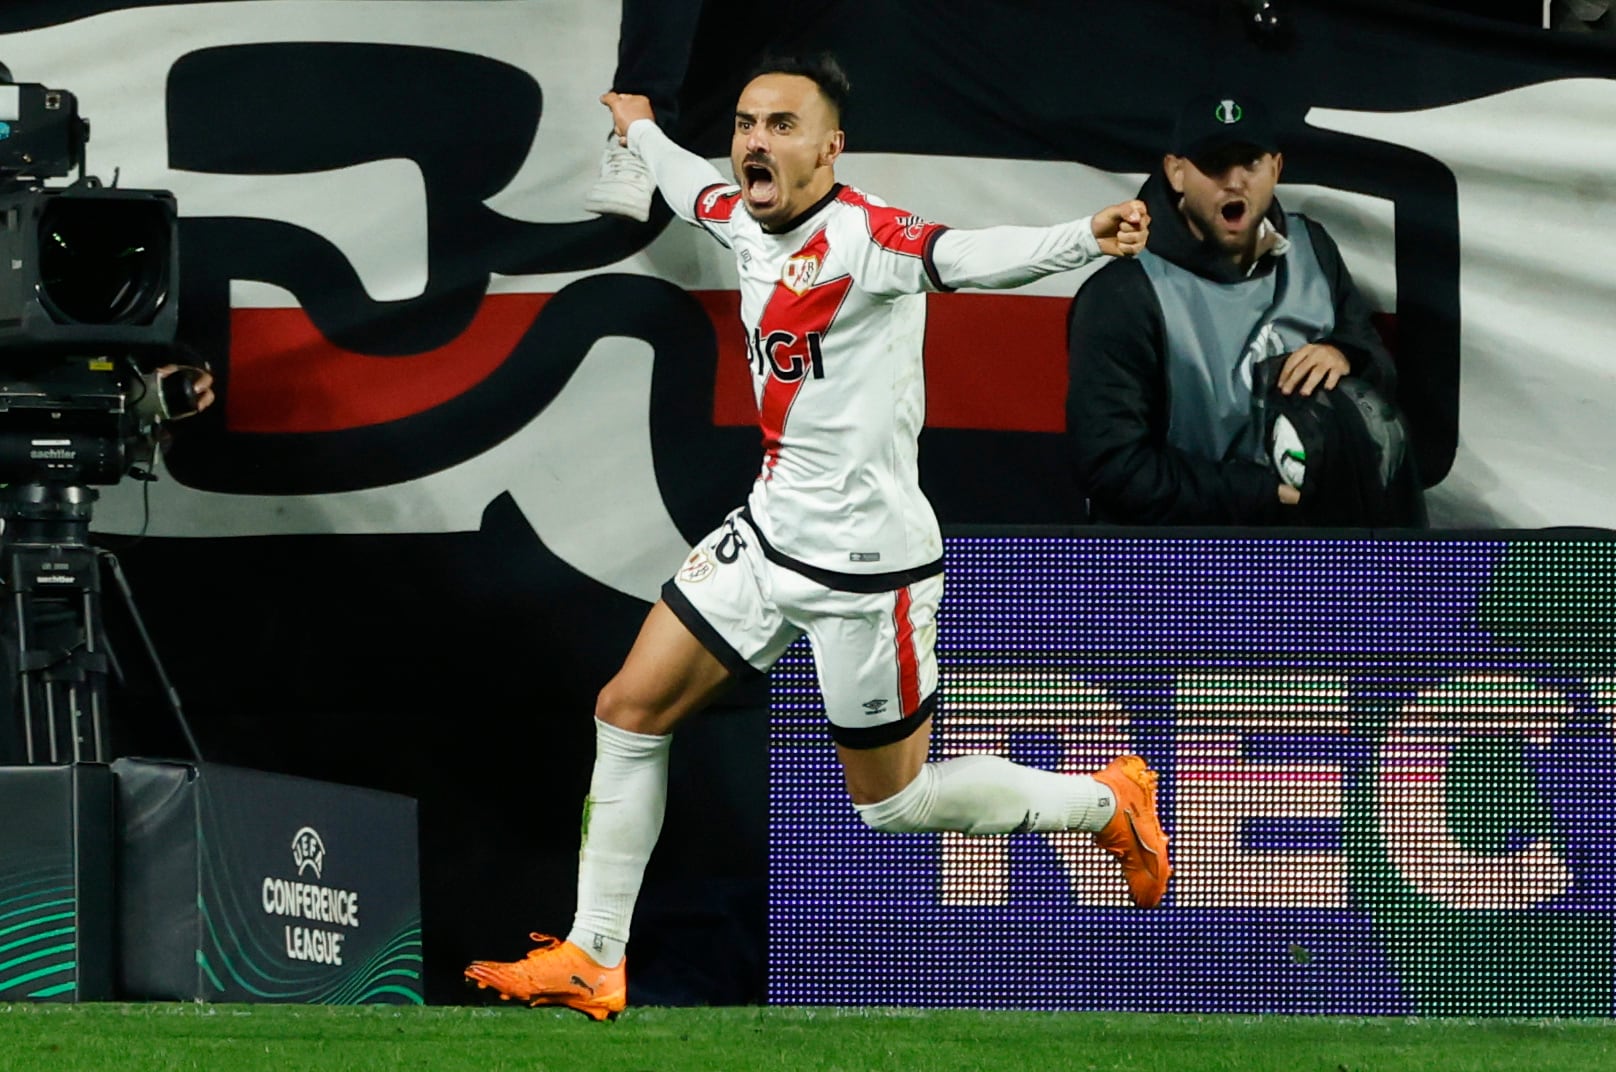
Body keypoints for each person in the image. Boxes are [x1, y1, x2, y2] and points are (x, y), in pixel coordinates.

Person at [466, 54, 1170, 1021]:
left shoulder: (866, 238)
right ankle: (595, 954)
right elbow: (688, 182)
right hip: (766, 538)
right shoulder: (742, 217)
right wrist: (640, 128)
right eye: (746, 123)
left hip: (867, 573)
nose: (755, 140)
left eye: (782, 125)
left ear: (831, 148)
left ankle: (1105, 802)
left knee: (895, 806)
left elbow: (969, 256)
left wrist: (1083, 237)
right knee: (628, 711)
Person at [1066, 94, 1406, 525]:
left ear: (1276, 168)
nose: (1234, 181)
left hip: (1309, 544)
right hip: (1180, 553)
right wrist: (1264, 494)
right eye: (1214, 164)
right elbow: (1113, 467)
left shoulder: (1313, 249)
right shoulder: (1123, 295)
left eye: (1250, 162)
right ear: (1176, 172)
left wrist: (1345, 355)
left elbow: (1377, 367)